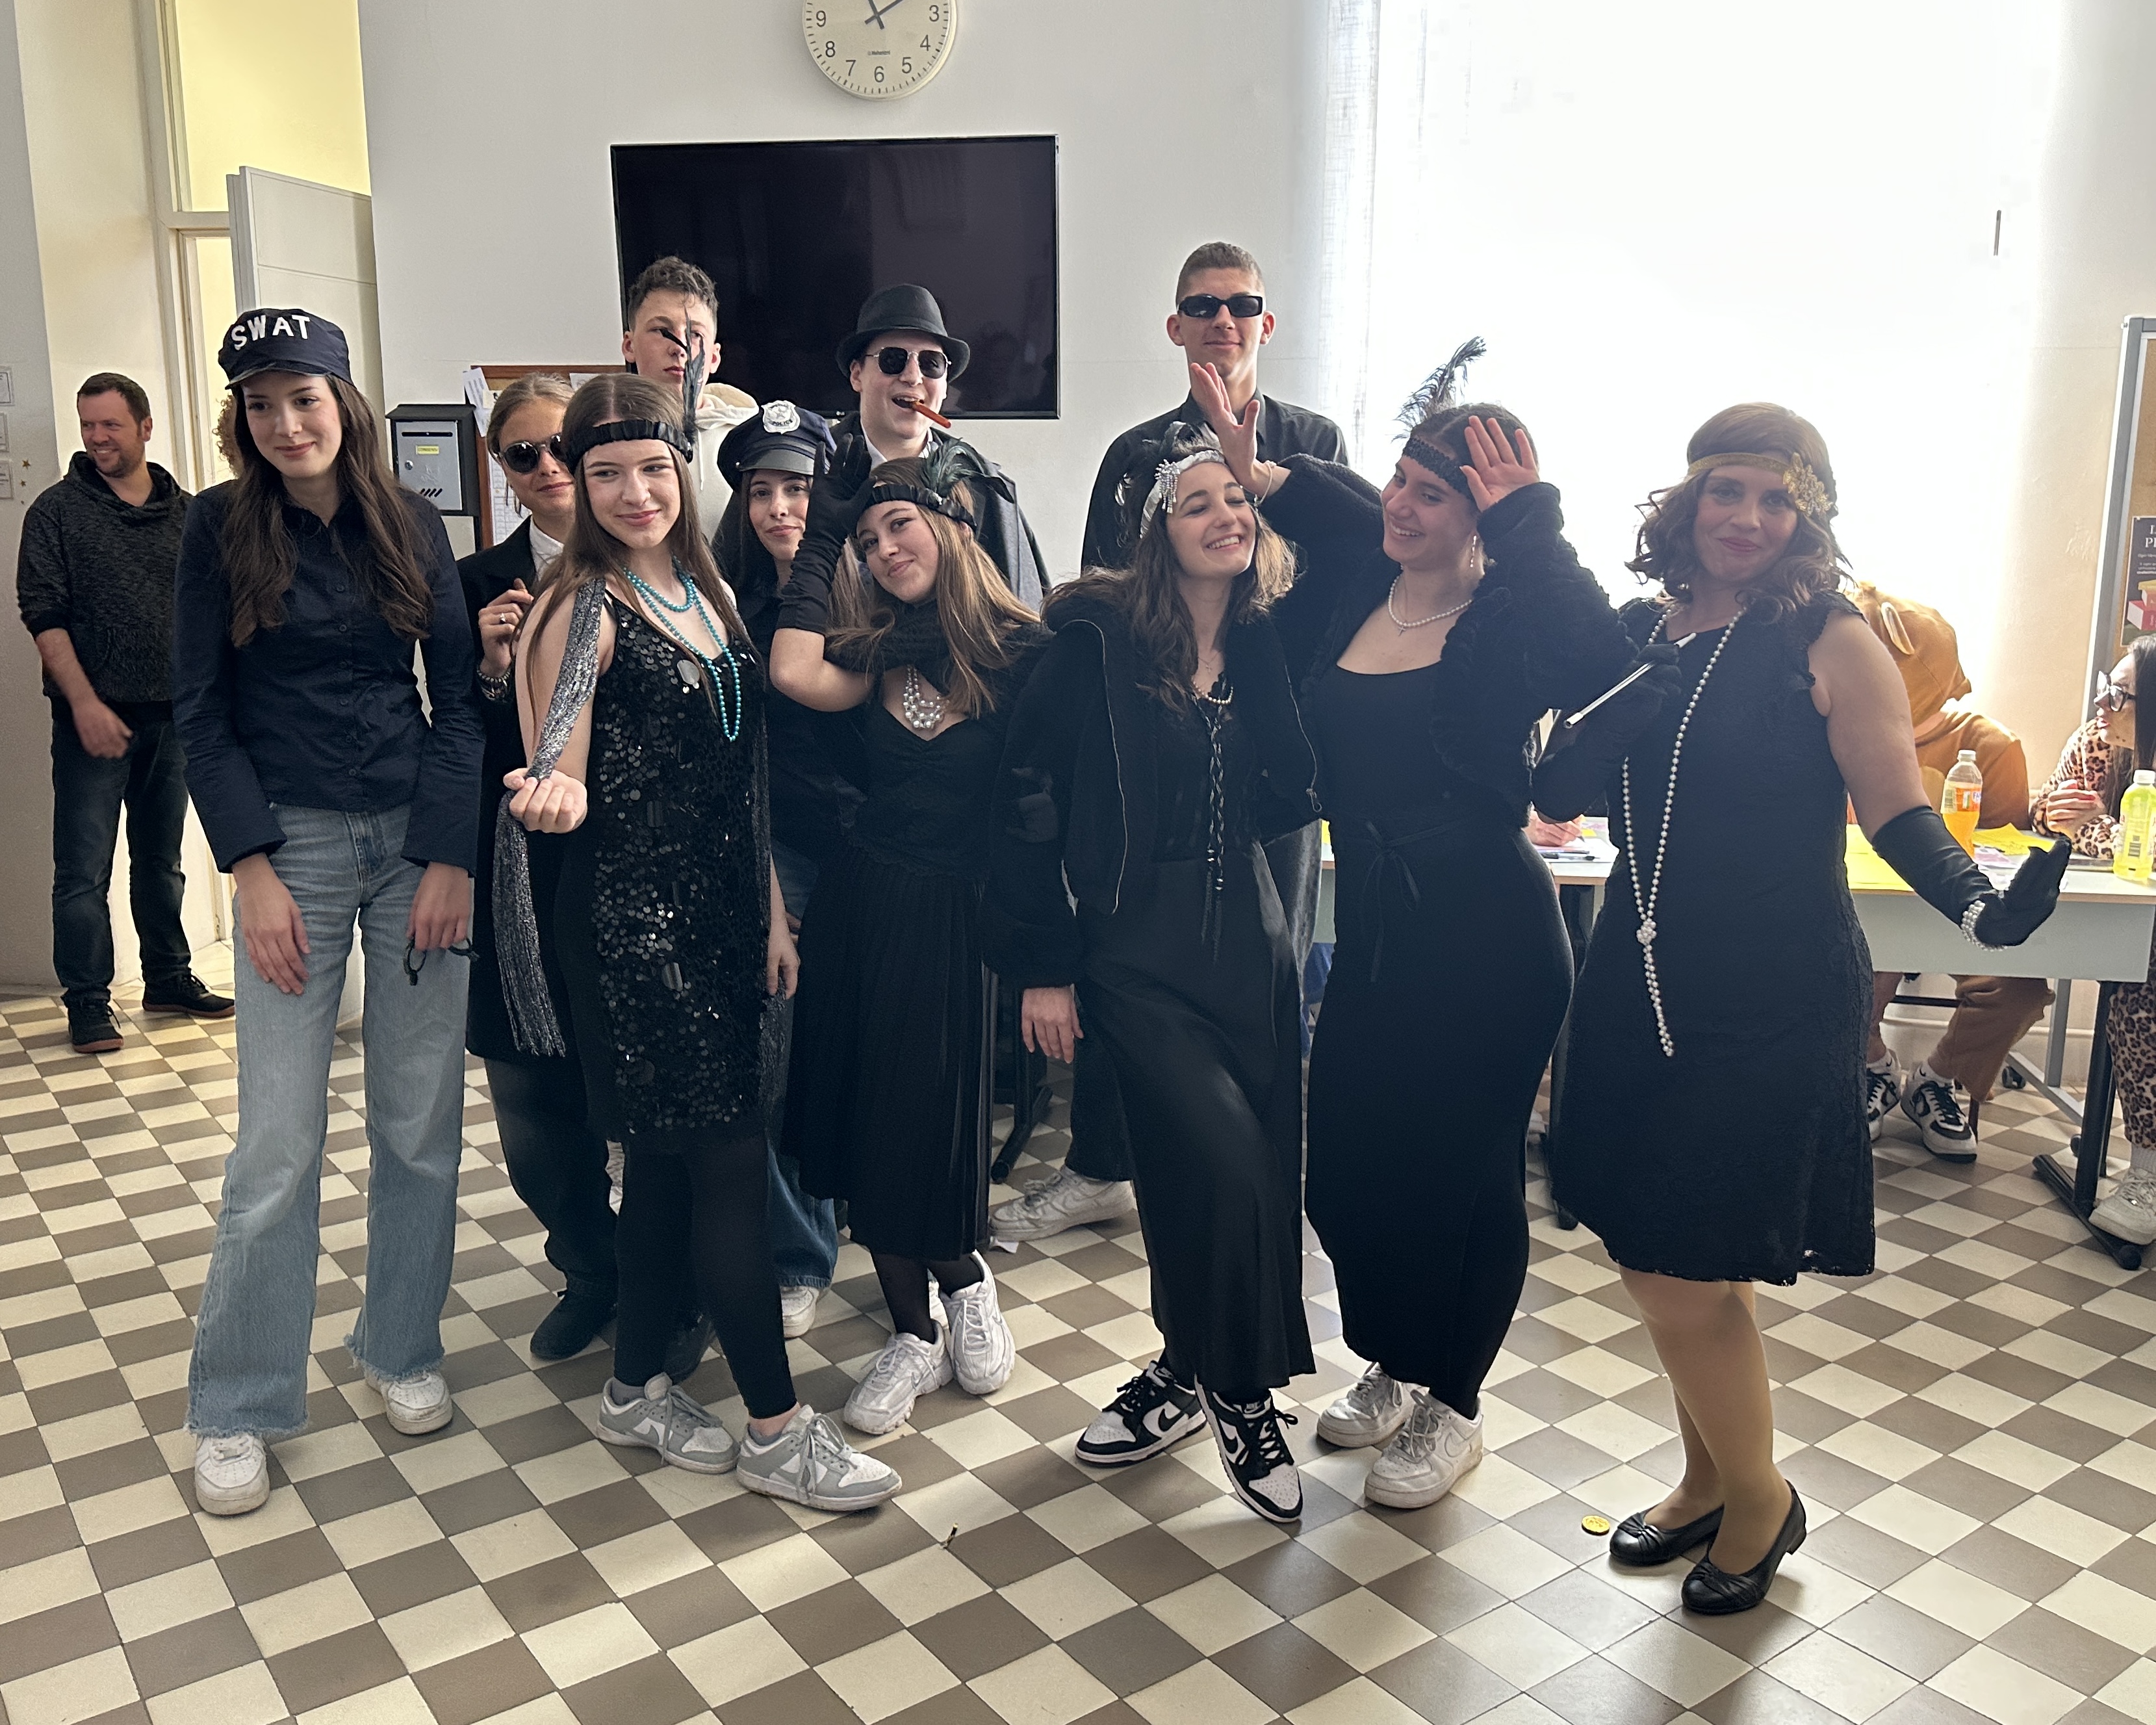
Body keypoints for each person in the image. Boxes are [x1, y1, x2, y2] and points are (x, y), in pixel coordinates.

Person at [1536, 404, 2066, 1614]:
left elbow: (1895, 808)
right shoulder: (1646, 628)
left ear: (1807, 517)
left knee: (1681, 1266)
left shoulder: (1830, 638)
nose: (1748, 517)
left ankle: (1759, 1499)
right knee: (1675, 1252)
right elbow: (1565, 778)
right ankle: (1704, 1480)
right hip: (1637, 975)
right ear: (1686, 499)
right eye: (1727, 490)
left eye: (1777, 498)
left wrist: (1980, 911)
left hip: (1769, 990)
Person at [1198, 342, 1634, 1514]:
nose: (1400, 503)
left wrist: (1530, 515)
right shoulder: (1359, 583)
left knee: (1464, 1177)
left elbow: (1605, 657)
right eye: (1399, 479)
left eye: (1432, 493)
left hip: (1489, 937)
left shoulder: (1510, 619)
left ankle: (1455, 1398)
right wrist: (1263, 467)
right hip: (1380, 934)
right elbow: (1341, 506)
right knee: (1349, 1169)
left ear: (1481, 513)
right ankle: (1393, 1357)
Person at [502, 373, 899, 1511]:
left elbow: (744, 772)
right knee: (726, 1164)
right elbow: (558, 754)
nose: (635, 492)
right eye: (606, 473)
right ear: (578, 483)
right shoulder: (580, 608)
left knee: (672, 1169)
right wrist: (554, 795)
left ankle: (634, 1388)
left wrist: (768, 908)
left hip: (727, 916)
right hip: (635, 932)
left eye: (652, 468)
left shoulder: (707, 591)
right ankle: (776, 1430)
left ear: (679, 470)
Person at [172, 309, 485, 1515]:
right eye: (260, 404)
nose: (285, 423)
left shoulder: (409, 519)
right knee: (276, 1142)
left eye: (302, 397)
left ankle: (399, 1342)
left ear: (343, 402)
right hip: (288, 846)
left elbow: (457, 701)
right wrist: (248, 867)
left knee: (419, 1124)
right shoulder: (216, 526)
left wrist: (448, 854)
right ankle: (239, 1400)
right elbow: (200, 711)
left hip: (411, 844)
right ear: (241, 420)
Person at [985, 426, 1320, 1523]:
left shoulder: (1272, 640)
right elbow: (1024, 801)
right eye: (1198, 503)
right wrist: (1043, 966)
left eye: (1239, 499)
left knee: (1234, 1171)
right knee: (1221, 1165)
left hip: (1252, 939)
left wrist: (1287, 480)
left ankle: (1182, 1370)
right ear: (1156, 533)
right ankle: (1239, 1392)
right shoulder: (1091, 645)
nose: (1226, 515)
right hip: (1132, 947)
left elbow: (1369, 547)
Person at [999, 242, 1348, 1247]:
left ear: (1265, 322)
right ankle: (1101, 1164)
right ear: (1176, 325)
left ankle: (1255, 1160)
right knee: (1126, 961)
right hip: (1148, 752)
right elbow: (1100, 599)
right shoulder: (1133, 450)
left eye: (1241, 303)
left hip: (1263, 749)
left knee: (1269, 958)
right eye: (1202, 304)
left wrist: (1266, 477)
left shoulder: (1310, 441)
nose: (1221, 319)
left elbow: (1343, 581)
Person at [771, 439, 1047, 1436]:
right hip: (863, 904)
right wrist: (823, 532)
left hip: (960, 918)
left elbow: (1049, 818)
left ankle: (964, 1279)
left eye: (901, 525)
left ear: (954, 526)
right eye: (869, 537)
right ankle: (912, 1331)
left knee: (932, 1120)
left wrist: (1049, 959)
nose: (886, 548)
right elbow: (790, 667)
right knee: (865, 1117)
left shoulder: (1028, 652)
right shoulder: (873, 651)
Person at [457, 373, 621, 1361]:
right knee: (528, 1089)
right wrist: (487, 669)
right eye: (525, 453)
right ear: (501, 468)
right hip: (520, 865)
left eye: (565, 444)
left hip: (631, 861)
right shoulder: (476, 581)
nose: (549, 466)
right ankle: (589, 1264)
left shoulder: (651, 560)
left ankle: (669, 1274)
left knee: (641, 1078)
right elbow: (454, 735)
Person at [16, 372, 229, 1054]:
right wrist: (84, 704)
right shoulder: (55, 512)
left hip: (174, 716)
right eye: (88, 425)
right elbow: (42, 614)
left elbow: (212, 613)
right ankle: (87, 1001)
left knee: (161, 860)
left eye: (110, 424)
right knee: (83, 871)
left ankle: (168, 976)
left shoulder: (190, 514)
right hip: (92, 719)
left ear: (144, 427)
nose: (97, 438)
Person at [713, 402, 851, 1337]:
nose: (778, 509)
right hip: (784, 853)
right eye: (760, 491)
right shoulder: (727, 605)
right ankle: (800, 1251)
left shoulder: (872, 581)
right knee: (779, 1052)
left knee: (863, 1051)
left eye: (796, 488)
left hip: (880, 850)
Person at [1853, 584, 2049, 1158]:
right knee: (1848, 976)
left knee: (2017, 991)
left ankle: (1935, 1081)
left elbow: (2009, 849)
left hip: (1960, 908)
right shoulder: (1839, 736)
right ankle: (1873, 1067)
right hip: (1869, 908)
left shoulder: (1990, 747)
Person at [2033, 637, 2156, 1243]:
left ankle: (2147, 1172)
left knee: (2143, 988)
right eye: (2108, 687)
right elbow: (2045, 809)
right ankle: (2148, 1171)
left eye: (2121, 695)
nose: (2102, 704)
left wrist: (2096, 830)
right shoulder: (2095, 743)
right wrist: (2059, 815)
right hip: (2123, 923)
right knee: (2136, 987)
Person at [832, 283, 1045, 608]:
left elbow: (1022, 607)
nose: (913, 377)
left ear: (945, 386)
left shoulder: (987, 488)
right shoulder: (808, 470)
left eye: (931, 363)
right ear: (857, 375)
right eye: (893, 359)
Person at [621, 255, 756, 530]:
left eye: (695, 334)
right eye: (662, 331)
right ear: (629, 346)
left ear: (715, 357)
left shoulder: (753, 440)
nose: (679, 348)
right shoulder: (603, 439)